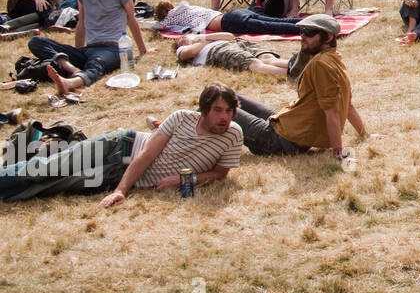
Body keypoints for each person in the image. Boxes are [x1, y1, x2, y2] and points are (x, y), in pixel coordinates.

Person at [0, 83, 242, 204]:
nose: (224, 117)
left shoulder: (233, 134)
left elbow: (220, 174)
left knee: (50, 186)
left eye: (229, 111)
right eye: (218, 110)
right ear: (203, 111)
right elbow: (147, 154)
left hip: (115, 173)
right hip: (120, 145)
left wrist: (183, 180)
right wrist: (121, 191)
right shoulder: (181, 118)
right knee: (48, 167)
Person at [232, 14, 366, 160]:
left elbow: (332, 110)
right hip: (288, 126)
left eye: (309, 33)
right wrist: (364, 134)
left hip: (282, 141)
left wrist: (337, 151)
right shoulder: (334, 59)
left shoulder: (320, 64)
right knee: (229, 96)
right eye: (302, 31)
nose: (302, 36)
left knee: (217, 102)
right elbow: (348, 104)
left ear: (328, 38)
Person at [29, 0, 149, 96]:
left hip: (112, 49)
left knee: (95, 64)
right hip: (88, 49)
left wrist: (143, 50)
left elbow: (132, 21)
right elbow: (81, 24)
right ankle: (72, 69)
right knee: (36, 41)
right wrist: (78, 52)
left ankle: (70, 83)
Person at [151, 0, 306, 37]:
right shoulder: (189, 8)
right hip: (232, 14)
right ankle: (313, 22)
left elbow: (156, 26)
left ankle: (309, 29)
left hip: (228, 23)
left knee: (273, 28)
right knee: (276, 22)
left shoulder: (172, 18)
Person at [174, 35, 296, 76]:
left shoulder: (204, 37)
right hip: (218, 51)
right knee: (254, 64)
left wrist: (206, 37)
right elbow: (189, 54)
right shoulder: (182, 49)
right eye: (183, 38)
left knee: (268, 58)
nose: (186, 36)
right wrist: (201, 41)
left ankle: (299, 65)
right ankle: (293, 74)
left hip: (235, 42)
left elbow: (229, 36)